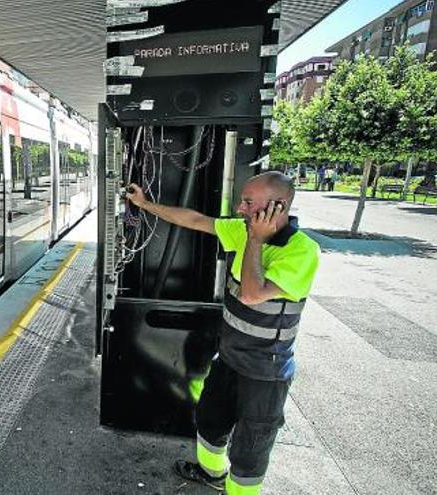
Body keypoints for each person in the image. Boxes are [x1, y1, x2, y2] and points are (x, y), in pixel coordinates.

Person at [125, 171, 320, 495]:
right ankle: (211, 473)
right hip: (229, 359)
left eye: (247, 202)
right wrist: (145, 205)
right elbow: (197, 220)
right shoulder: (242, 231)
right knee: (210, 420)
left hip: (265, 371)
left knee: (250, 448)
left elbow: (252, 294)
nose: (240, 209)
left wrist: (256, 241)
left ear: (278, 206)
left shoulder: (301, 251)